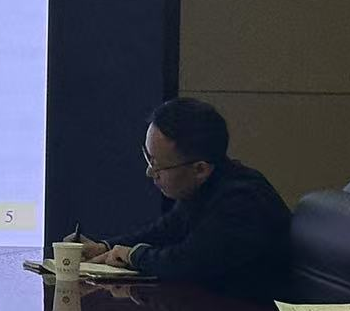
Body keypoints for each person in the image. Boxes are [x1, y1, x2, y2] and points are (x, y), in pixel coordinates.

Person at [75, 98, 290, 297]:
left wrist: (133, 256)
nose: (149, 173)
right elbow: (164, 231)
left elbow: (186, 262)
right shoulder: (205, 186)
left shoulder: (242, 201)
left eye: (158, 165)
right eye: (148, 159)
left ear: (200, 169)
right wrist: (105, 247)